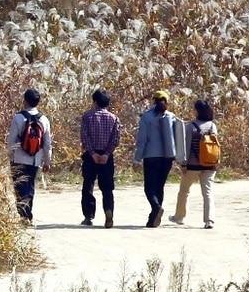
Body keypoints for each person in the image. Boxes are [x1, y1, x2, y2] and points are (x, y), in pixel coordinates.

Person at [134, 90, 183, 227]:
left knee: (149, 188)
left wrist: (137, 158)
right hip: (167, 157)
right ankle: (153, 218)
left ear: (153, 101)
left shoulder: (146, 117)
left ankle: (156, 208)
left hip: (151, 156)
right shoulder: (172, 117)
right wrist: (179, 157)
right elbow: (178, 137)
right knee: (159, 187)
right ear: (166, 102)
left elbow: (142, 140)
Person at [7, 89, 53, 225]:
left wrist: (10, 155)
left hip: (19, 158)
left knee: (20, 186)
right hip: (35, 159)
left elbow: (12, 140)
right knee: (30, 186)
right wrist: (47, 161)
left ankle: (23, 216)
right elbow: (47, 144)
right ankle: (28, 215)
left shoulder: (18, 117)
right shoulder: (44, 119)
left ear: (25, 100)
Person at [173, 100, 220, 229]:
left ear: (197, 111)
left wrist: (184, 163)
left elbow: (186, 147)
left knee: (184, 191)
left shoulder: (191, 126)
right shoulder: (212, 126)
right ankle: (209, 220)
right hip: (210, 165)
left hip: (193, 165)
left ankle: (179, 217)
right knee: (208, 193)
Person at [79, 89, 122, 228]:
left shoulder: (87, 117)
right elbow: (116, 139)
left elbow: (84, 137)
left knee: (88, 186)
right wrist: (106, 154)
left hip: (91, 157)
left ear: (95, 101)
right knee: (107, 188)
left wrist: (92, 153)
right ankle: (108, 211)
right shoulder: (114, 118)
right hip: (106, 157)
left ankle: (88, 216)